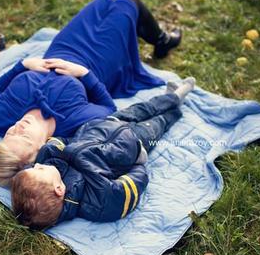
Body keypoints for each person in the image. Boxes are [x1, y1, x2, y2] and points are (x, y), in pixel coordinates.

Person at [0, 0, 183, 186]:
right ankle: (162, 41)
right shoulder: (71, 124)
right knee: (129, 2)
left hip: (62, 47)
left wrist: (23, 65)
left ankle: (159, 39)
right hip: (96, 64)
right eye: (24, 137)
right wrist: (83, 74)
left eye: (10, 134)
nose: (18, 127)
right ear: (40, 150)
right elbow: (108, 108)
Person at [10, 78, 195, 229]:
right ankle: (175, 108)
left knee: (144, 108)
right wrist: (138, 164)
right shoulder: (98, 202)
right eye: (39, 169)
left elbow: (57, 144)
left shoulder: (50, 162)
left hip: (104, 125)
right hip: (134, 143)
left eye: (35, 167)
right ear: (59, 190)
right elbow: (130, 188)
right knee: (158, 123)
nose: (38, 164)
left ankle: (173, 96)